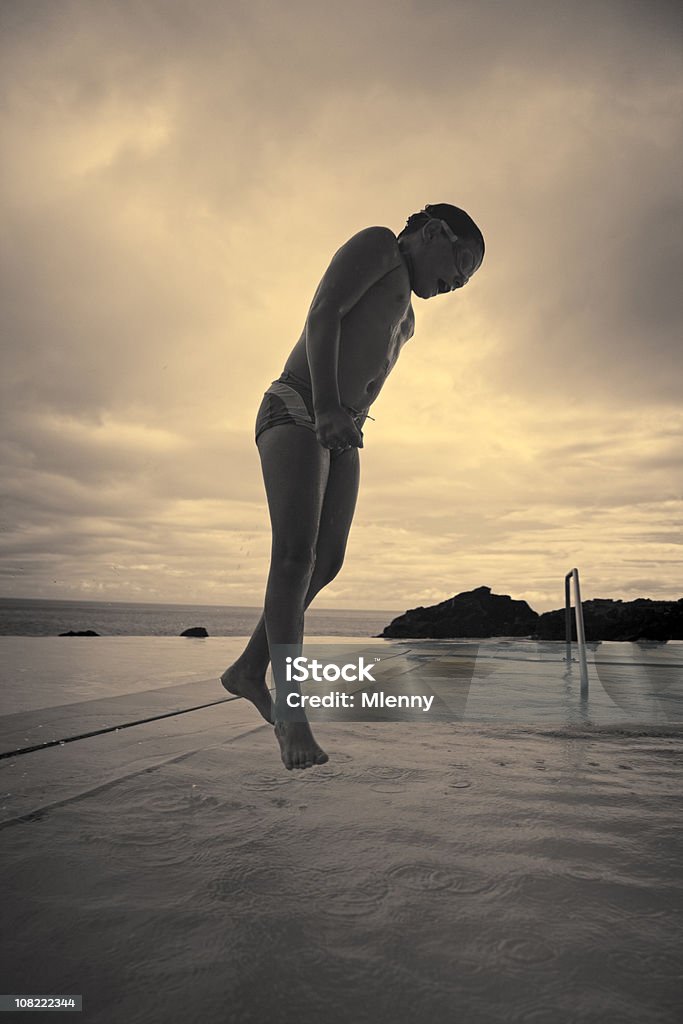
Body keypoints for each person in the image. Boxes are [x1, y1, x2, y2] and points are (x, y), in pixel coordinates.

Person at [221, 203, 485, 770]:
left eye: (466, 281)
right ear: (433, 232)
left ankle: (248, 668)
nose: (457, 284)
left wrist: (342, 419)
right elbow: (323, 315)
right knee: (293, 557)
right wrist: (323, 408)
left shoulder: (408, 316)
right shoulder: (379, 246)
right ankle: (292, 715)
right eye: (460, 264)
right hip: (300, 405)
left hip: (343, 427)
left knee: (327, 561)